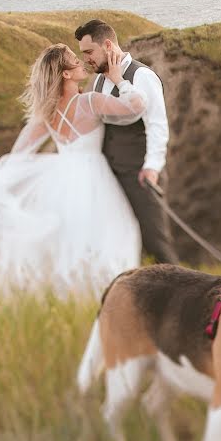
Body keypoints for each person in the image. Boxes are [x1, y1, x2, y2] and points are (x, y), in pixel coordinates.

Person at [0, 44, 147, 299]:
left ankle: (73, 298)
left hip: (61, 180)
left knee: (66, 241)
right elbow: (136, 106)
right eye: (75, 62)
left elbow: (18, 154)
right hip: (93, 177)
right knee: (113, 233)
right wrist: (119, 78)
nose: (81, 64)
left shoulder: (47, 113)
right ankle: (106, 297)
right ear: (65, 74)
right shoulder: (90, 101)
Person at [75, 20, 179, 265]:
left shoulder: (142, 75)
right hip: (109, 175)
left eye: (89, 52)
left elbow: (157, 124)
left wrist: (152, 167)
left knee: (155, 242)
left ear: (108, 45)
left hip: (138, 172)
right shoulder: (100, 80)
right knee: (122, 239)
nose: (86, 59)